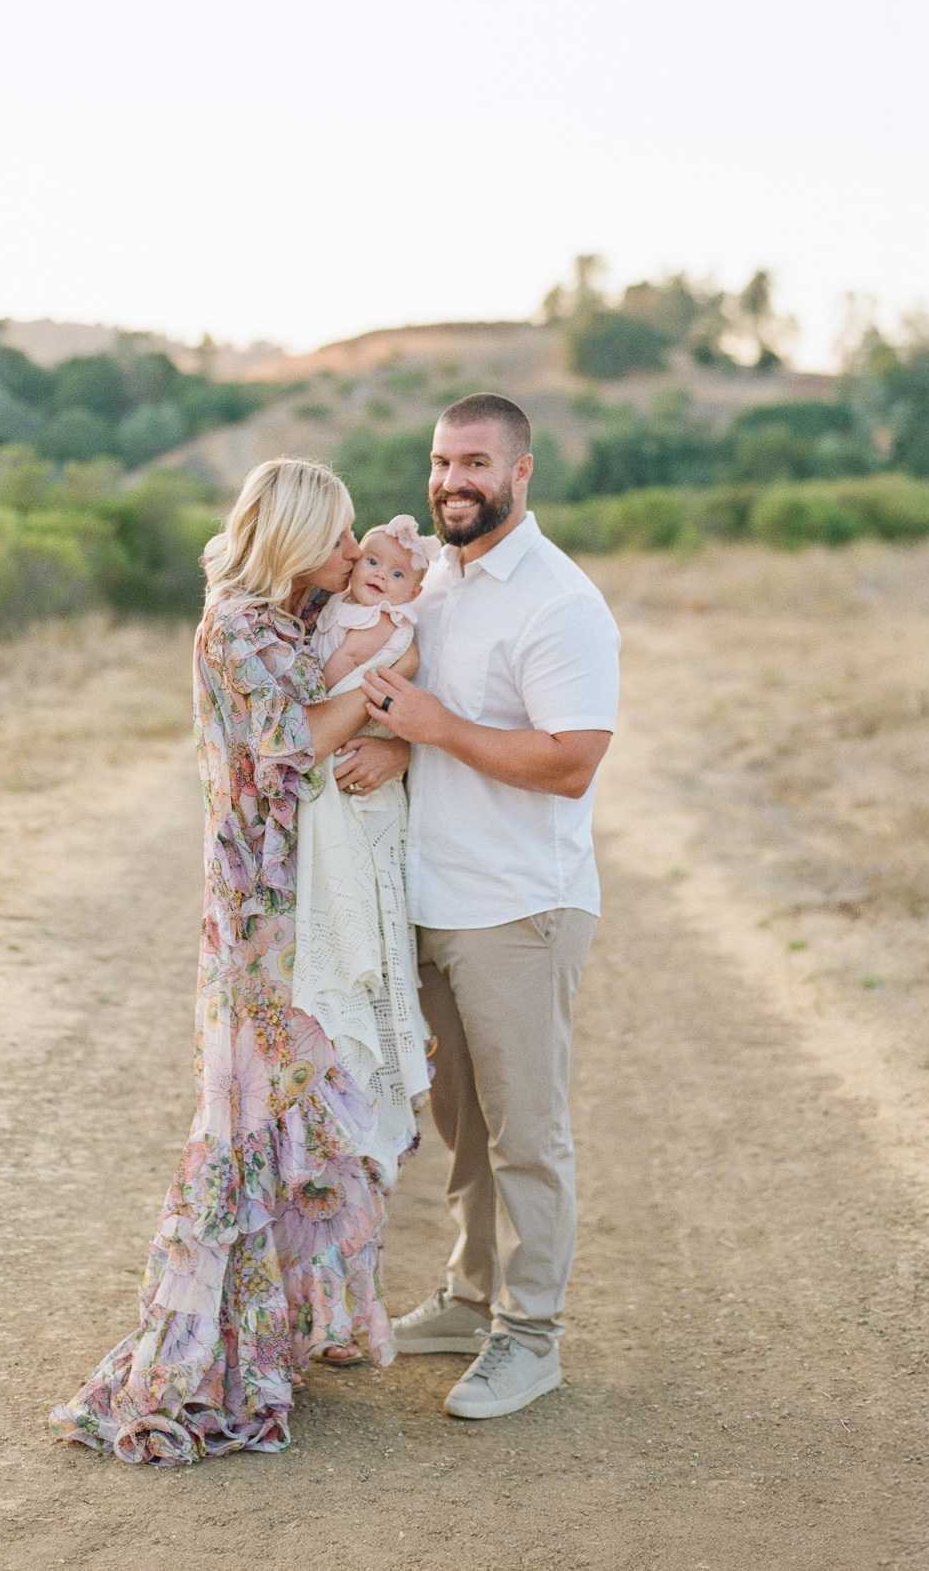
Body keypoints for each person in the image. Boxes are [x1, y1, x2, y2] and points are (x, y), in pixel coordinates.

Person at [50, 457, 418, 1465]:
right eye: (336, 536)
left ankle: (281, 1328)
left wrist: (392, 716)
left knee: (304, 1102)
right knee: (250, 1112)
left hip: (306, 902)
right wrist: (384, 693)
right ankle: (211, 1354)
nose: (353, 551)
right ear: (292, 540)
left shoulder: (297, 615)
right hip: (260, 915)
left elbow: (377, 625)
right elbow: (295, 739)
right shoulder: (239, 628)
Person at [350, 393, 621, 1421]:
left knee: (526, 1132)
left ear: (521, 472)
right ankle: (470, 1301)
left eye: (474, 462)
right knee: (462, 1122)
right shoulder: (436, 583)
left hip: (519, 907)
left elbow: (571, 760)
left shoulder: (559, 602)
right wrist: (401, 743)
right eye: (440, 461)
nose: (451, 480)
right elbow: (425, 716)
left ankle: (531, 1334)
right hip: (435, 899)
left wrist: (433, 727)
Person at [293, 516, 439, 1189]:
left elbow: (336, 683)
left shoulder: (388, 628)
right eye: (370, 560)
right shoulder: (324, 603)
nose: (374, 571)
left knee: (361, 922)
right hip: (324, 780)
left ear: (413, 592)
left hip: (352, 778)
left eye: (394, 571)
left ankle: (363, 1114)